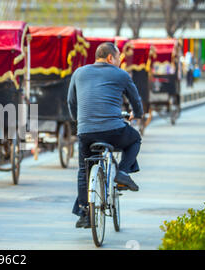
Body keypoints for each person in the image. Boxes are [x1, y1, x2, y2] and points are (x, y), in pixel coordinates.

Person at [67, 42, 144, 228]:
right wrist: (137, 114)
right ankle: (122, 172)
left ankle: (85, 213)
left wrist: (80, 122)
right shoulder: (121, 75)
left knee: (84, 170)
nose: (119, 62)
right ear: (111, 58)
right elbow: (136, 101)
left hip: (85, 132)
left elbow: (71, 102)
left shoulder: (78, 73)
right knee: (135, 139)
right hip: (114, 131)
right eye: (118, 58)